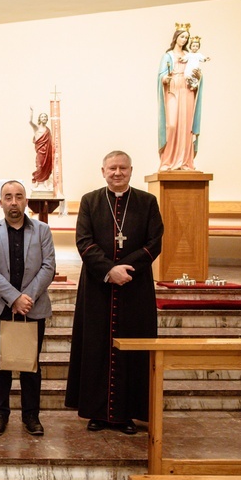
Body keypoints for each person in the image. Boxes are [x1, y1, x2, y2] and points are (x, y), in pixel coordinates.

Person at [65, 150, 164, 435]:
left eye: (123, 168)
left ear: (131, 171)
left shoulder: (147, 202)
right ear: (103, 171)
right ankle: (96, 412)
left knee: (133, 349)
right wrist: (109, 270)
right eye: (112, 168)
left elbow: (154, 242)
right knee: (96, 347)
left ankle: (126, 414)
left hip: (135, 288)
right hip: (98, 287)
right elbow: (83, 241)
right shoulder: (90, 201)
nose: (117, 173)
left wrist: (125, 268)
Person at [0, 180, 56, 436]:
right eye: (8, 197)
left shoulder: (42, 230)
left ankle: (31, 416)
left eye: (19, 196)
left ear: (26, 201)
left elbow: (49, 267)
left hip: (32, 308)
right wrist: (13, 298)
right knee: (0, 365)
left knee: (30, 365)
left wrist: (27, 298)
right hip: (1, 307)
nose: (14, 202)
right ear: (1, 202)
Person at [157, 25, 204, 171]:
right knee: (172, 125)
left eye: (186, 38)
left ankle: (185, 161)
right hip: (173, 89)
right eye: (182, 36)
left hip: (187, 90)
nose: (184, 40)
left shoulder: (190, 56)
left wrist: (198, 77)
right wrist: (165, 78)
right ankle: (168, 161)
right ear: (176, 37)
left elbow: (198, 74)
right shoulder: (168, 55)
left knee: (186, 126)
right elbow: (161, 75)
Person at [28, 107, 54, 189]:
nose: (44, 118)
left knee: (47, 167)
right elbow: (30, 122)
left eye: (45, 117)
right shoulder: (37, 128)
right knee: (40, 166)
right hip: (40, 152)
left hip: (48, 152)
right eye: (42, 117)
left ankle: (44, 183)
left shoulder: (48, 130)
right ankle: (36, 180)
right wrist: (31, 112)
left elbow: (50, 142)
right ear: (39, 118)